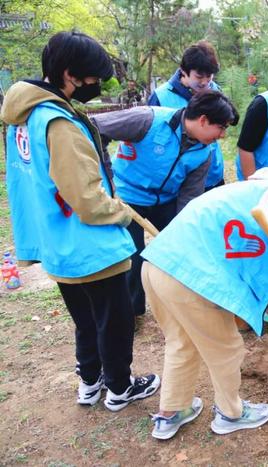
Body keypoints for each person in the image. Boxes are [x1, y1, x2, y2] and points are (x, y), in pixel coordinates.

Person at [1, 31, 159, 411]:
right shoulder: (60, 124)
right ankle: (120, 388)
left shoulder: (24, 119)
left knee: (86, 320)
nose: (97, 85)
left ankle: (90, 383)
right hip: (91, 244)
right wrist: (122, 213)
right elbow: (88, 200)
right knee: (115, 321)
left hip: (57, 240)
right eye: (93, 78)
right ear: (69, 74)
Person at [144, 159, 268, 440]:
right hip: (190, 278)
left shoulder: (261, 194)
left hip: (160, 264)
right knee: (226, 348)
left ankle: (171, 413)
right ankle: (230, 414)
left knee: (182, 342)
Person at [93, 91, 239, 318]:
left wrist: (184, 231)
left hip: (166, 200)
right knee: (133, 255)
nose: (222, 135)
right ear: (203, 120)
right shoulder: (147, 120)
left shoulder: (204, 152)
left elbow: (189, 197)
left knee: (188, 244)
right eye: (221, 128)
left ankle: (195, 299)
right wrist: (106, 176)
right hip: (128, 196)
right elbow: (94, 127)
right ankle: (132, 314)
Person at [148, 41, 227, 190]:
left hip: (213, 175)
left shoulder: (215, 90)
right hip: (180, 180)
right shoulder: (161, 97)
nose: (205, 82)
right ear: (184, 71)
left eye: (209, 76)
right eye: (199, 76)